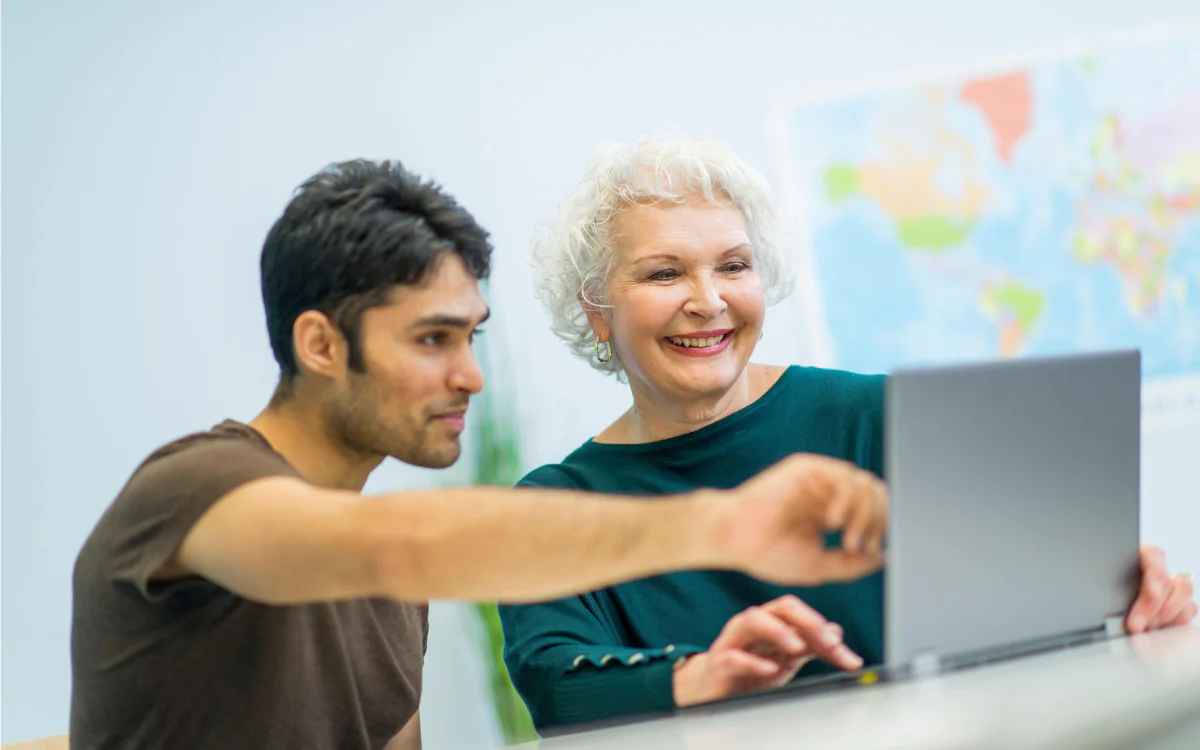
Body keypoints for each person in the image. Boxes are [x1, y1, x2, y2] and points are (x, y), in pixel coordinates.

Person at [68, 160, 891, 750]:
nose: (468, 376)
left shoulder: (392, 592)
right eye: (432, 340)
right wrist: (726, 525)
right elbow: (402, 546)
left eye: (471, 338)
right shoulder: (195, 486)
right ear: (320, 344)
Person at [498, 135, 1198, 731]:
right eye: (663, 272)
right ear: (595, 310)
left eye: (734, 266)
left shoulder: (885, 418)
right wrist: (705, 676)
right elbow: (556, 687)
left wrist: (1127, 597)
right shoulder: (554, 511)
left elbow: (1050, 613)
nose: (708, 301)